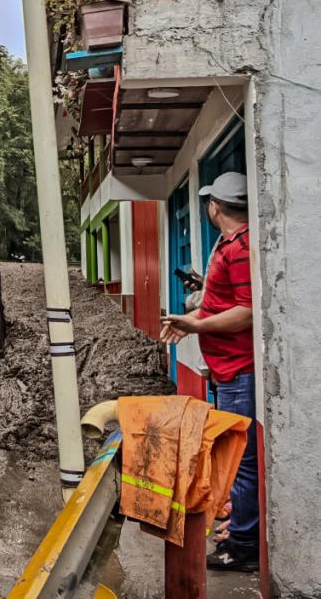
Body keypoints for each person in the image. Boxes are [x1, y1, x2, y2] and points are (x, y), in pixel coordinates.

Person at [161, 171, 258, 572]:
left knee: (243, 459)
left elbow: (246, 312)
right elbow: (219, 306)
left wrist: (196, 325)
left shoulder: (241, 248)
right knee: (234, 457)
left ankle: (244, 545)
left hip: (239, 369)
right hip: (226, 368)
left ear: (216, 207)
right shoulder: (228, 244)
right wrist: (190, 320)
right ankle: (239, 524)